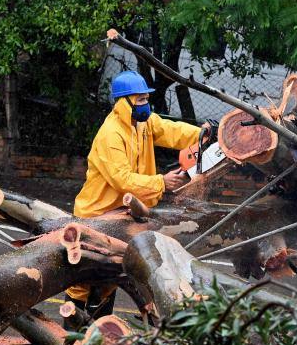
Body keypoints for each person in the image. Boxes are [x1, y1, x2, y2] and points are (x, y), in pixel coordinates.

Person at [65, 70, 206, 328]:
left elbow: (170, 130)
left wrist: (200, 135)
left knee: (111, 276)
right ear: (123, 102)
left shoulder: (142, 123)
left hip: (122, 213)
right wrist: (161, 182)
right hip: (96, 215)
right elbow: (122, 179)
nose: (145, 104)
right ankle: (69, 338)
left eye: (145, 98)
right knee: (84, 280)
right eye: (139, 99)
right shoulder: (111, 134)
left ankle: (99, 337)